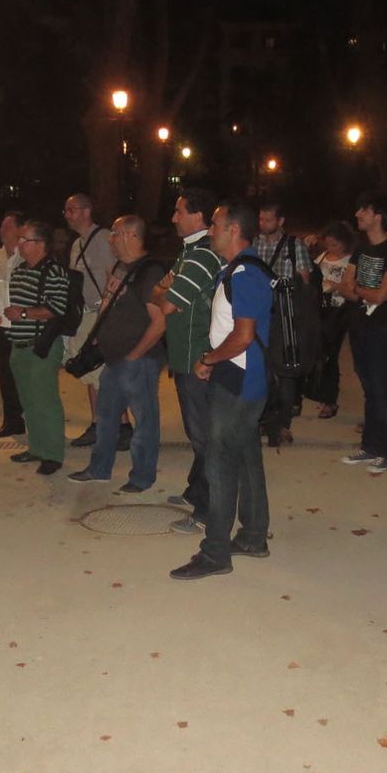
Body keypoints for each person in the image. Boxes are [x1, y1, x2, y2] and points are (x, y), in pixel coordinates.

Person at [170, 199, 274, 580]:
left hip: (236, 380)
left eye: (215, 225)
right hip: (244, 379)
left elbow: (243, 336)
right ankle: (253, 536)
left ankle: (215, 552)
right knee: (246, 458)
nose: (210, 231)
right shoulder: (240, 270)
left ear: (233, 230)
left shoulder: (244, 273)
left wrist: (209, 359)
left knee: (219, 465)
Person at [68, 216, 167, 492]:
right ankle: (100, 468)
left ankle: (142, 478)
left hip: (139, 359)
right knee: (106, 415)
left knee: (144, 421)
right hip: (113, 358)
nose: (110, 239)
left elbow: (160, 321)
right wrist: (98, 335)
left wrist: (135, 355)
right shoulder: (119, 267)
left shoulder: (150, 272)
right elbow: (108, 303)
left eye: (114, 233)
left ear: (130, 236)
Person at [154, 187, 223, 532]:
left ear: (198, 216)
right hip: (187, 356)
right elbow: (157, 291)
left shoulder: (200, 256)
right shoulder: (190, 252)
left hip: (197, 359)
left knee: (203, 436)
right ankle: (197, 491)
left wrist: (166, 290)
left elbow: (165, 302)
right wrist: (165, 290)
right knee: (200, 434)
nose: (173, 217)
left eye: (179, 211)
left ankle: (208, 512)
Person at [337, 192, 387, 474]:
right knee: (369, 388)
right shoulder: (361, 248)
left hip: (384, 328)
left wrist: (358, 290)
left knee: (382, 389)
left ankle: (386, 451)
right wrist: (361, 292)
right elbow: (344, 286)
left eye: (364, 210)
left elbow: (381, 295)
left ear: (378, 216)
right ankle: (369, 446)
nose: (358, 215)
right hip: (360, 325)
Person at [1, 219, 70, 476]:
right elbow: (11, 303)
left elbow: (57, 308)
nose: (19, 243)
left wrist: (24, 314)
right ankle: (37, 447)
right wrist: (1, 314)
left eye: (24, 239)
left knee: (46, 401)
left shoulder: (54, 272)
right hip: (18, 345)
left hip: (41, 347)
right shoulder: (20, 270)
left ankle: (53, 454)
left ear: (40, 244)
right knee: (28, 401)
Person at [62, 194, 124, 449]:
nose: (67, 215)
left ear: (87, 211)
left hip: (99, 313)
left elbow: (113, 279)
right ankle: (101, 424)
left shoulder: (103, 239)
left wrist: (104, 321)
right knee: (90, 372)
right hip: (84, 314)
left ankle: (117, 426)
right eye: (66, 210)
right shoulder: (77, 244)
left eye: (72, 210)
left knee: (100, 373)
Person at [252, 197, 312, 446]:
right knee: (260, 369)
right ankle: (264, 419)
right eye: (261, 219)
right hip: (260, 313)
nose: (263, 223)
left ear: (280, 221)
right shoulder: (254, 243)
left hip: (286, 314)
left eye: (268, 219)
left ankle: (284, 423)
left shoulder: (294, 245)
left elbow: (305, 280)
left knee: (286, 371)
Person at [306, 220, 357, 420]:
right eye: (328, 244)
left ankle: (330, 399)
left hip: (339, 311)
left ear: (345, 242)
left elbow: (353, 289)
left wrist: (335, 286)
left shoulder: (351, 260)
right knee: (318, 353)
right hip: (320, 309)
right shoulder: (323, 256)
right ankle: (319, 392)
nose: (331, 248)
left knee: (330, 355)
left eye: (335, 244)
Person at [0, 210, 26, 438]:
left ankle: (31, 417)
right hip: (3, 324)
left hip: (24, 322)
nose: (2, 231)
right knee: (5, 373)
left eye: (8, 227)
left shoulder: (27, 253)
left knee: (25, 373)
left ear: (20, 230)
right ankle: (12, 419)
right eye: (2, 227)